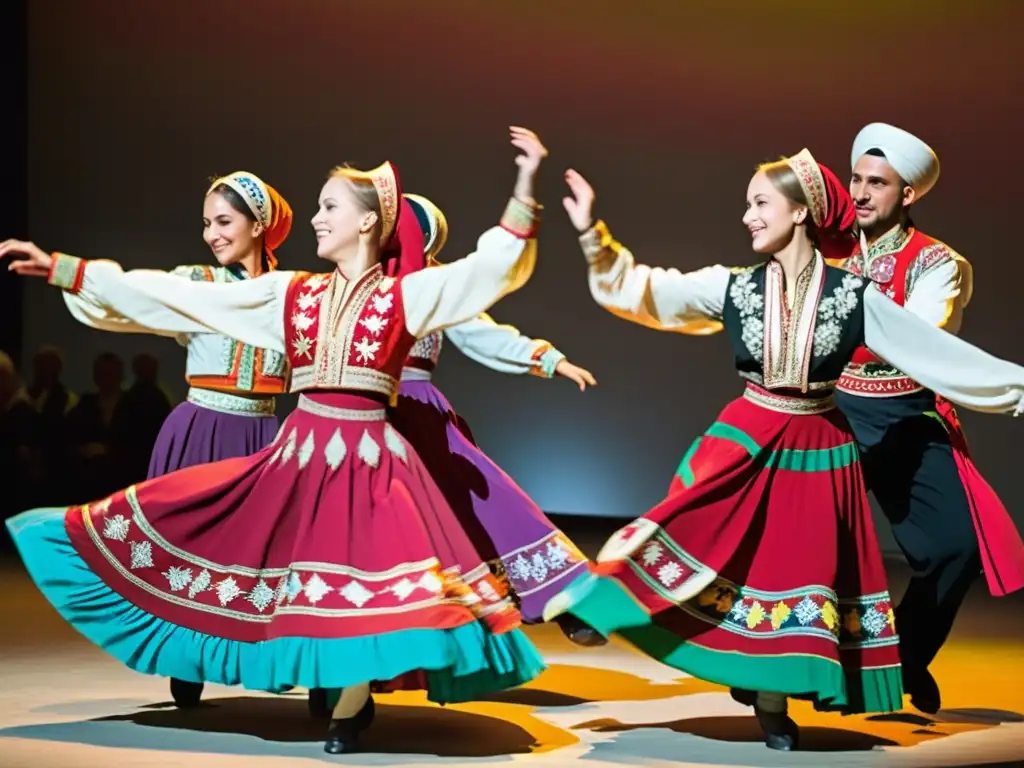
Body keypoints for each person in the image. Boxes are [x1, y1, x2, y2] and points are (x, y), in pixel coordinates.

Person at [2, 126, 548, 755]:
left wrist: (525, 182)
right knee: (263, 557)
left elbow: (491, 270)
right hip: (302, 452)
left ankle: (351, 702)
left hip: (371, 459)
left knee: (364, 576)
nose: (314, 219)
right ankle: (294, 680)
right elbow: (175, 296)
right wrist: (68, 272)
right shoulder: (294, 293)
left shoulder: (408, 295)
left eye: (329, 207)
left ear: (369, 222)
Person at [541, 151, 1024, 751]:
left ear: (799, 213)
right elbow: (646, 291)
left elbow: (937, 355)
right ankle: (601, 604)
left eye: (759, 203)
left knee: (793, 575)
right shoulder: (735, 285)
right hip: (748, 433)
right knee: (680, 524)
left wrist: (1018, 388)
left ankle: (772, 704)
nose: (747, 216)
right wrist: (593, 234)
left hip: (818, 445)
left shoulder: (854, 297)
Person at [831, 123, 1024, 714]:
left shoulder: (938, 263)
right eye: (856, 180)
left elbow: (919, 337)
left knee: (956, 546)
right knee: (807, 544)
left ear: (907, 194)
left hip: (903, 413)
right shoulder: (824, 247)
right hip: (831, 412)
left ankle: (904, 653)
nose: (860, 194)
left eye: (877, 184)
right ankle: (778, 673)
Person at [393, 193, 604, 646]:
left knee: (488, 505)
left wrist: (546, 359)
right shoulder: (351, 284)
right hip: (357, 414)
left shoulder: (434, 285)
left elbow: (482, 334)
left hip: (417, 415)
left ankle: (560, 594)